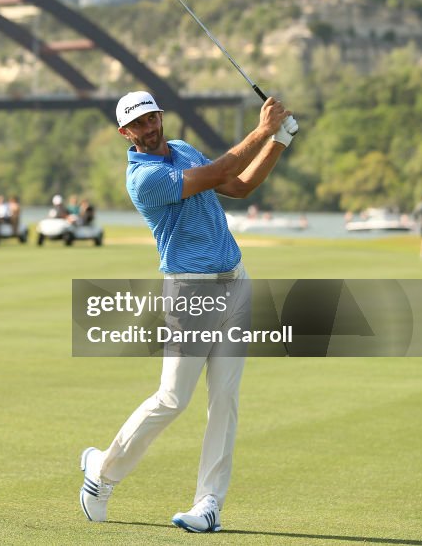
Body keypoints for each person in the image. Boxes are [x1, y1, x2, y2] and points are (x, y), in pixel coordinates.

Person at [79, 90, 296, 532]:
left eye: (153, 117)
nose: (150, 127)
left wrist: (278, 143)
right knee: (173, 399)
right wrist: (264, 130)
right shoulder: (144, 179)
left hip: (236, 283)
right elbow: (220, 169)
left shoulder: (180, 149)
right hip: (191, 293)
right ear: (126, 133)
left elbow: (236, 184)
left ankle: (209, 503)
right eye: (139, 124)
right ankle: (102, 475)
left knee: (225, 400)